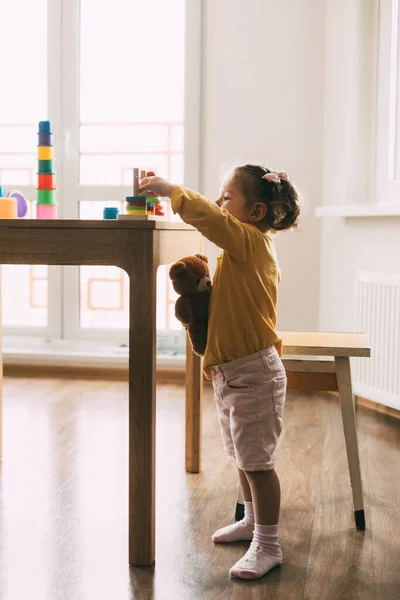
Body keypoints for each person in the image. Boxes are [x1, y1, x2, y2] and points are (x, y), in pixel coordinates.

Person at [139, 165, 301, 580]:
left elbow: (210, 220)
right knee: (243, 458)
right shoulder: (242, 250)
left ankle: (269, 544)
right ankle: (251, 522)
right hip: (233, 374)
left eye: (227, 198)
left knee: (258, 464)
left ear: (256, 211)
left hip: (253, 373)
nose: (218, 205)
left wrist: (172, 190)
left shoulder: (251, 242)